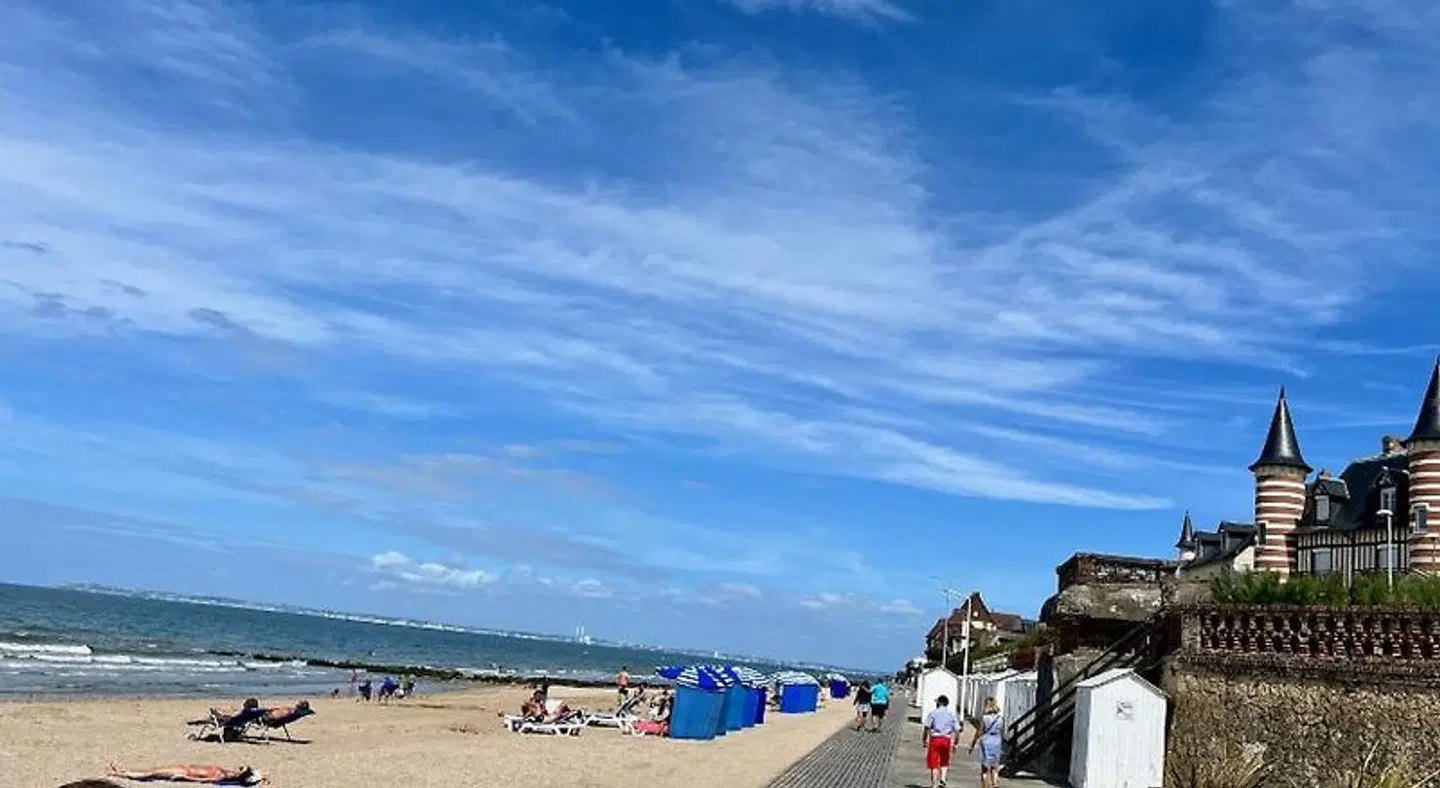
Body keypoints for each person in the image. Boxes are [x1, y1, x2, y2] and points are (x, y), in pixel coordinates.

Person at [922, 694, 960, 788]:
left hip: (935, 739)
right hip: (946, 739)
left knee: (934, 762)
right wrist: (955, 743)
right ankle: (943, 779)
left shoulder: (933, 713)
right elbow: (957, 730)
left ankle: (934, 783)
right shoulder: (951, 714)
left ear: (939, 703)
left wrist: (924, 738)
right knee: (945, 760)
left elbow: (927, 727)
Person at [106, 763, 260, 785]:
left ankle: (120, 774)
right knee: (152, 769)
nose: (237, 768)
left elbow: (203, 781)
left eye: (240, 769)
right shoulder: (225, 771)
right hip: (184, 766)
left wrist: (184, 777)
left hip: (183, 771)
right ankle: (123, 771)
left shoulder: (221, 776)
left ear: (239, 775)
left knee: (151, 773)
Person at [970, 697, 1004, 788]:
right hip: (997, 741)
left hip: (986, 741)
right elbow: (1001, 731)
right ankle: (995, 784)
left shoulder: (984, 718)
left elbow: (979, 731)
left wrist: (973, 743)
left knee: (985, 768)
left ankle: (985, 786)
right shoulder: (1000, 718)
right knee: (995, 767)